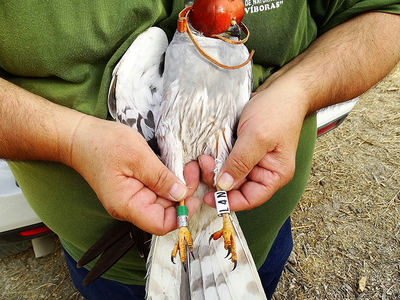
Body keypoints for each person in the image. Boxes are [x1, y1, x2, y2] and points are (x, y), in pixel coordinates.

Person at [1, 1, 399, 299]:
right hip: (114, 259)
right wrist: (72, 140)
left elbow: (387, 11)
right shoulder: (155, 51)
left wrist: (298, 91)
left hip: (254, 235)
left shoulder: (237, 51)